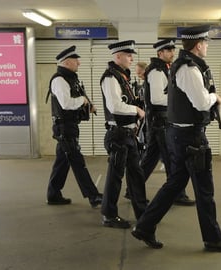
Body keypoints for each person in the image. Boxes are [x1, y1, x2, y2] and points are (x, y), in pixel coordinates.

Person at [131, 25, 221, 252]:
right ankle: (213, 238)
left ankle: (144, 226)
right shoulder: (189, 69)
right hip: (190, 138)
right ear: (198, 44)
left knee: (174, 184)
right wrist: (215, 97)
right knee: (204, 190)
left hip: (181, 135)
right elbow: (201, 102)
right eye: (206, 42)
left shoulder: (183, 66)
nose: (207, 46)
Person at [46, 45, 103, 208]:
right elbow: (66, 103)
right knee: (77, 162)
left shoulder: (70, 78)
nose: (79, 63)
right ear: (67, 62)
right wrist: (82, 101)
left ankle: (53, 194)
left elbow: (78, 94)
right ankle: (93, 196)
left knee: (62, 163)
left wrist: (89, 104)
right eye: (76, 60)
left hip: (69, 126)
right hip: (64, 128)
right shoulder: (59, 80)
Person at [140, 38, 195, 206]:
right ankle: (177, 193)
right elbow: (157, 99)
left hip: (161, 121)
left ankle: (133, 189)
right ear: (160, 53)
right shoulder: (157, 71)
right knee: (172, 159)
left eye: (173, 50)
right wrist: (178, 99)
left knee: (150, 159)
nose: (172, 53)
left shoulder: (164, 69)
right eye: (168, 50)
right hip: (161, 122)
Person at [100, 40, 148, 229]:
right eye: (128, 55)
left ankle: (143, 212)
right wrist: (136, 110)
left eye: (131, 55)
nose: (131, 58)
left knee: (136, 175)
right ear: (117, 56)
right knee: (115, 177)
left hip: (128, 135)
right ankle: (109, 215)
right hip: (118, 135)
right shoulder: (111, 78)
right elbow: (115, 106)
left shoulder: (122, 77)